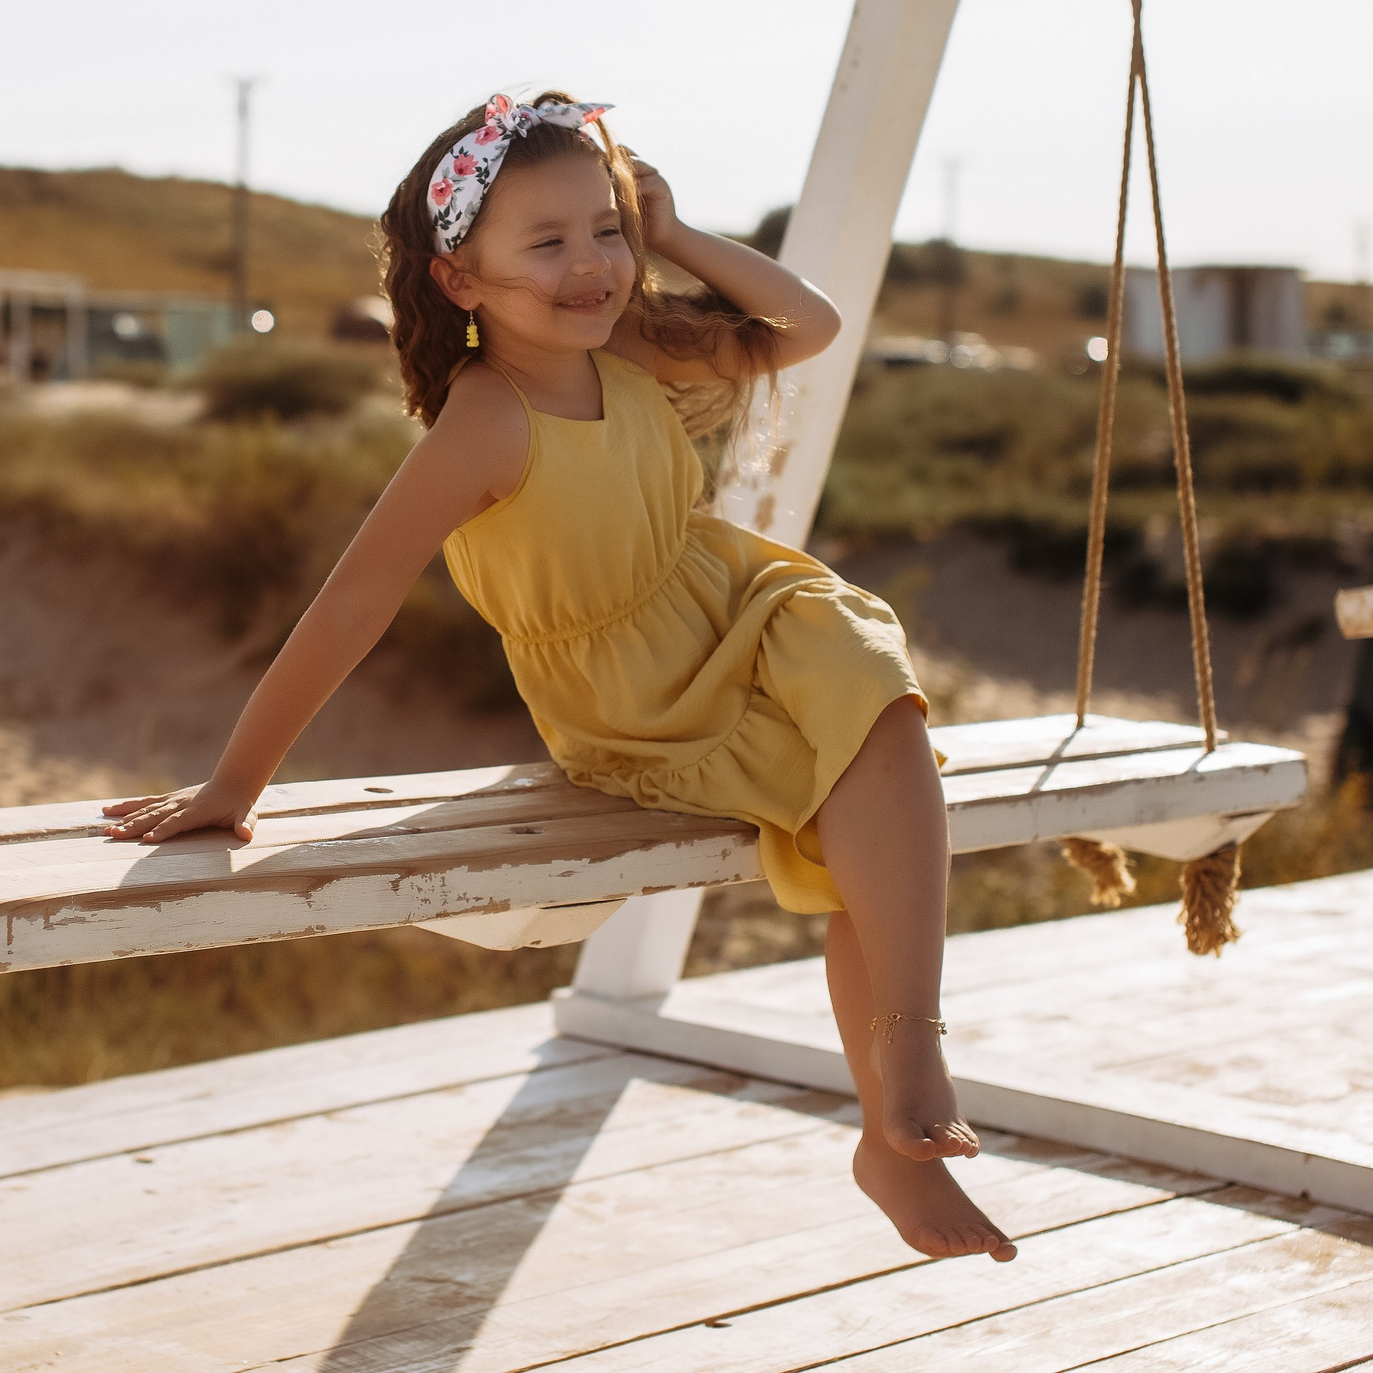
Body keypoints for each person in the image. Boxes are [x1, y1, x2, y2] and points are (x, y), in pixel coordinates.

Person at [105, 91, 1013, 1262]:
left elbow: (808, 326)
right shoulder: (484, 420)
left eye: (607, 228)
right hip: (633, 696)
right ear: (460, 281)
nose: (591, 264)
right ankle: (899, 1082)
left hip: (735, 612)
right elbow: (351, 606)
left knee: (873, 688)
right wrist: (235, 786)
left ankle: (902, 1073)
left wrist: (676, 238)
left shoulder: (628, 341)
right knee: (861, 759)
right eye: (546, 242)